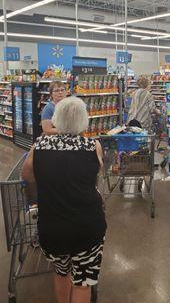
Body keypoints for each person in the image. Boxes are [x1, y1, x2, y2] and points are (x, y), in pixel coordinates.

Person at [22, 97, 107, 303]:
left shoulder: (39, 145)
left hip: (52, 227)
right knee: (83, 282)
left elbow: (27, 176)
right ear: (84, 120)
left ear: (56, 118)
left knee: (61, 273)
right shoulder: (92, 146)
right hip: (87, 227)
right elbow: (97, 173)